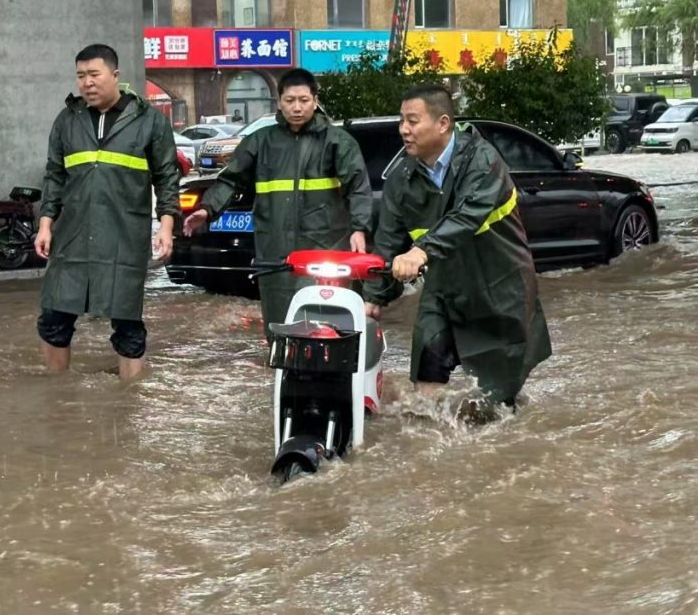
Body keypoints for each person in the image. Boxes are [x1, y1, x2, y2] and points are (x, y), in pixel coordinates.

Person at [364, 84, 551, 410]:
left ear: (443, 123)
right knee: (426, 376)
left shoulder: (483, 161)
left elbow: (466, 216)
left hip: (499, 287)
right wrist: (374, 297)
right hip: (444, 289)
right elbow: (389, 242)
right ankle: (431, 452)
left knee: (500, 401)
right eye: (401, 121)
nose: (403, 130)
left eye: (412, 121)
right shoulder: (401, 179)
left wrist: (419, 252)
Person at [183, 68, 373, 336]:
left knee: (327, 325)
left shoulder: (338, 143)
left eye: (304, 100)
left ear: (315, 100)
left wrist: (359, 228)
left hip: (324, 246)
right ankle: (281, 371)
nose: (297, 107)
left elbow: (359, 188)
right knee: (280, 325)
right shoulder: (261, 142)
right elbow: (230, 180)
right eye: (290, 100)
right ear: (279, 102)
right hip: (274, 251)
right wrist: (207, 209)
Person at [34, 44, 180, 379]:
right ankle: (58, 396)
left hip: (124, 239)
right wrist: (45, 225)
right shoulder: (67, 121)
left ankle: (130, 403)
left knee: (128, 327)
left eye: (94, 75)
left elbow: (167, 177)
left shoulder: (148, 122)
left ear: (115, 75)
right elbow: (55, 175)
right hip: (71, 238)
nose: (87, 83)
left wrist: (166, 226)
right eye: (81, 76)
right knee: (54, 319)